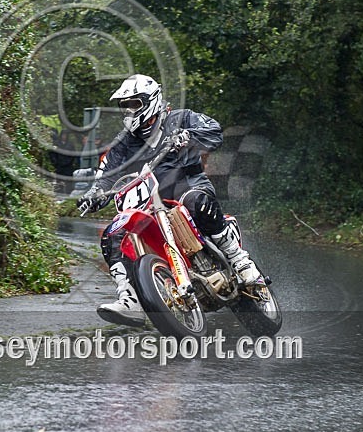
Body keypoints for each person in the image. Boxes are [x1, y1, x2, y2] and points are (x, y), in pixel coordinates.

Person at [77, 74, 261, 327]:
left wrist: (188, 136)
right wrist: (94, 193)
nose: (129, 111)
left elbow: (214, 131)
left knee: (195, 201)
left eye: (134, 104)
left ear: (150, 101)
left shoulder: (181, 118)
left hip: (187, 184)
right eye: (125, 106)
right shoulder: (124, 141)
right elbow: (107, 171)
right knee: (113, 234)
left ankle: (239, 260)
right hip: (150, 200)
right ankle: (129, 299)